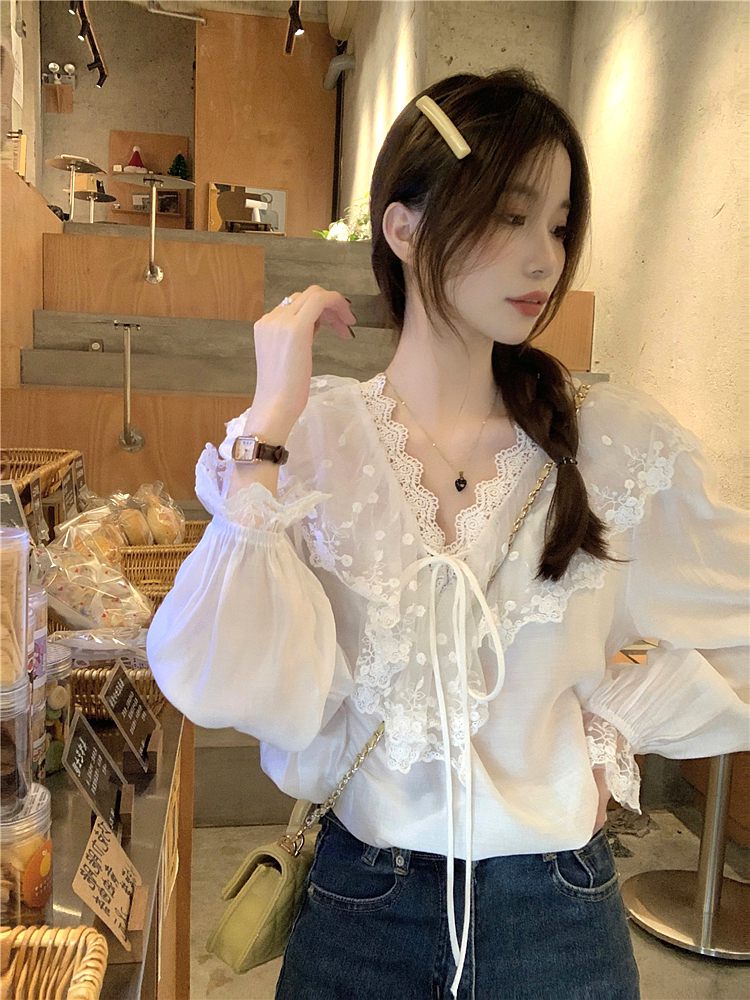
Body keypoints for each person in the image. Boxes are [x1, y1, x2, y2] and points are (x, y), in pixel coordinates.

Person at [146, 68, 749, 1000]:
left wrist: (615, 730)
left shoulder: (611, 444)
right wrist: (267, 424)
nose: (546, 259)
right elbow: (214, 677)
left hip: (556, 914)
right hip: (361, 906)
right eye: (512, 216)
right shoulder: (312, 442)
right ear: (404, 226)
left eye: (559, 226)